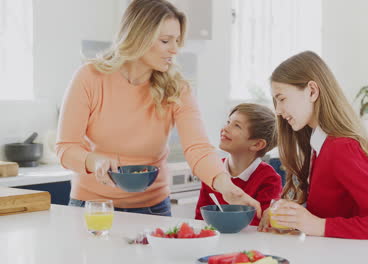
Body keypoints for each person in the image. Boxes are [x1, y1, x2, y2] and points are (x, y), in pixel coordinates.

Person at [56, 0, 260, 217]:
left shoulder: (177, 87)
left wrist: (225, 185)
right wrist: (93, 161)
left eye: (177, 41)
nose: (175, 49)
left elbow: (197, 148)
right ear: (139, 37)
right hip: (93, 208)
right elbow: (66, 147)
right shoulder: (90, 77)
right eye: (165, 41)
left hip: (153, 209)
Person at [258, 51, 368, 241]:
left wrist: (316, 225)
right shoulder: (319, 146)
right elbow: (333, 213)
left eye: (281, 99)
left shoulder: (340, 148)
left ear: (312, 91)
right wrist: (289, 218)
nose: (278, 111)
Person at [195, 103, 282, 226]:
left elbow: (260, 225)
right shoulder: (213, 171)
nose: (225, 128)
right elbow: (200, 218)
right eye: (228, 122)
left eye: (237, 126)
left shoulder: (269, 179)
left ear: (257, 144)